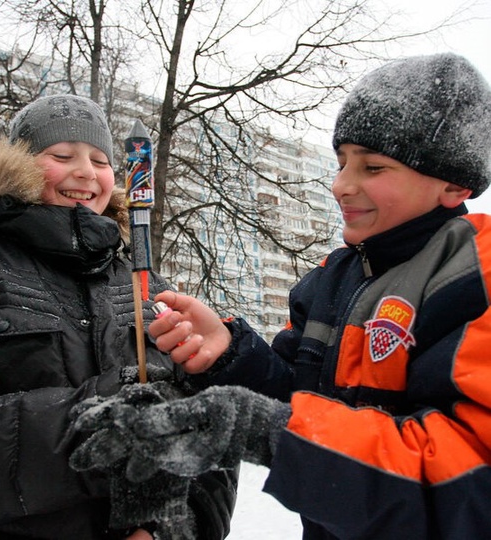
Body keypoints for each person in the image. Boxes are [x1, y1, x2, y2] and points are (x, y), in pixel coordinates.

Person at [70, 53, 491, 539]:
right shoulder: (331, 281)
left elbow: (467, 476)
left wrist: (265, 429)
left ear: (453, 186)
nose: (341, 185)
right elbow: (297, 395)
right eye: (341, 163)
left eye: (373, 167)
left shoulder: (473, 275)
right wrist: (231, 353)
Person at [0, 94, 237, 540]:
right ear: (16, 167)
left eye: (100, 161)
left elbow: (208, 428)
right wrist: (90, 427)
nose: (85, 172)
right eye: (62, 156)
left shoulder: (148, 287)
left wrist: (172, 528)